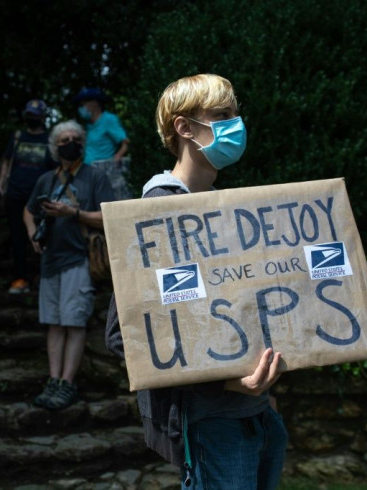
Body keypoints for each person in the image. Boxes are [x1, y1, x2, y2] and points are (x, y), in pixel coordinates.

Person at [105, 74, 288, 489]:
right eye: (222, 115)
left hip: (256, 414)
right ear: (185, 128)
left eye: (236, 114)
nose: (235, 125)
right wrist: (225, 380)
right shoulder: (155, 213)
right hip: (212, 421)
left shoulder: (224, 214)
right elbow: (126, 334)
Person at [24, 120, 115, 410]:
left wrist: (71, 213)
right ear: (54, 147)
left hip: (79, 260)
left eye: (75, 138)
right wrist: (32, 235)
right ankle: (53, 380)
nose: (70, 143)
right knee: (54, 323)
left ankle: (67, 383)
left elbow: (108, 217)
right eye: (63, 139)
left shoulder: (95, 177)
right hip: (51, 261)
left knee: (74, 323)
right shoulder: (46, 180)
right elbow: (27, 212)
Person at [0, 99, 56, 294]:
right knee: (17, 236)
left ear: (43, 118)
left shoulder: (49, 140)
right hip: (15, 193)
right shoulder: (17, 137)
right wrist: (0, 186)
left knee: (42, 236)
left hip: (40, 196)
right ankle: (20, 278)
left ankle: (42, 279)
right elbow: (7, 162)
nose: (32, 119)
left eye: (36, 116)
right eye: (30, 115)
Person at [72, 87, 131, 200]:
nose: (81, 108)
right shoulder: (87, 125)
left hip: (104, 172)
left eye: (83, 104)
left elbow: (125, 142)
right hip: (87, 172)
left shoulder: (109, 119)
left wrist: (117, 156)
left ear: (94, 103)